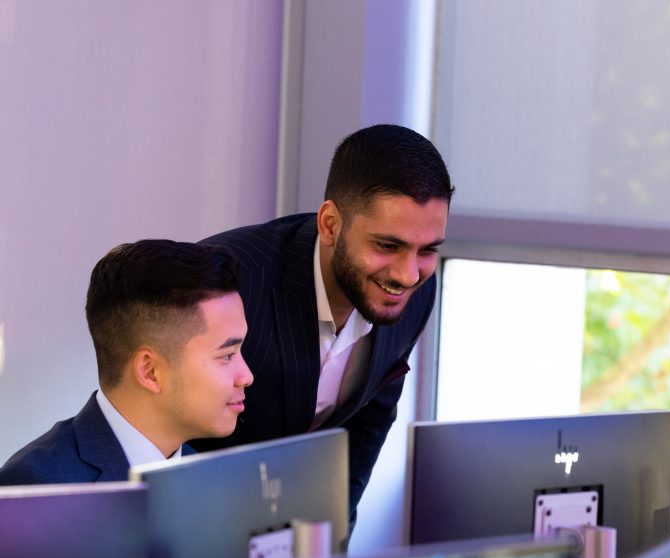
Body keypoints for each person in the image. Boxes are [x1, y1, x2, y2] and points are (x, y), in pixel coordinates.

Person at [192, 124, 454, 524]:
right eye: (387, 246)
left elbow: (370, 419)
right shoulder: (226, 280)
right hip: (200, 523)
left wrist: (334, 535)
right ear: (331, 224)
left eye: (428, 250)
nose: (407, 274)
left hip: (298, 535)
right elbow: (166, 425)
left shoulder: (419, 287)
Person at [0, 240, 253, 484]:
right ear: (150, 371)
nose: (247, 376)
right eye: (227, 355)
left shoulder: (208, 476)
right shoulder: (39, 488)